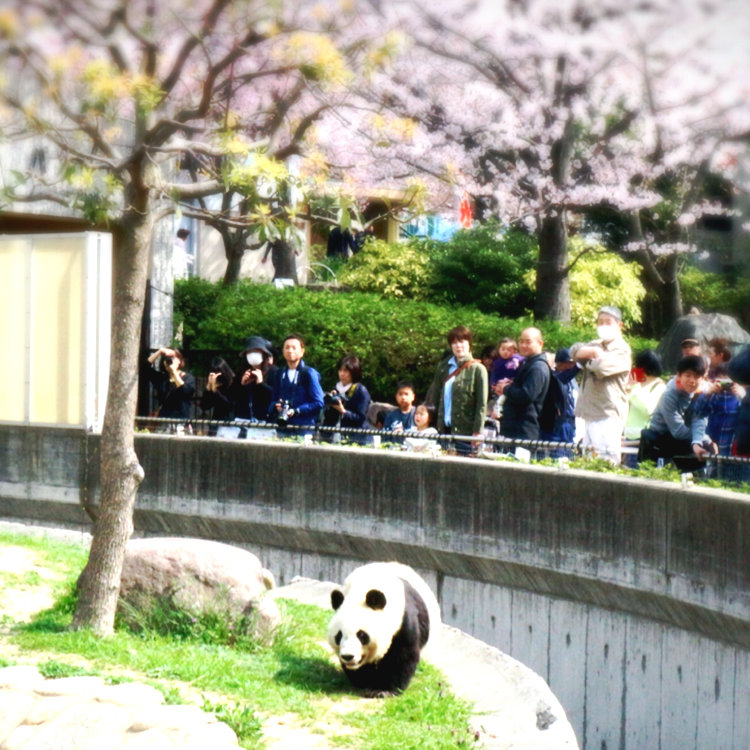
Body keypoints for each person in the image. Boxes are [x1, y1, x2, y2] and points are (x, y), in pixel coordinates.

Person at [570, 306, 632, 464]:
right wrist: (593, 353)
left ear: (619, 326)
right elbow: (573, 351)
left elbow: (600, 367)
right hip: (589, 413)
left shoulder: (622, 349)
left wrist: (586, 358)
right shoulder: (596, 344)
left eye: (608, 322)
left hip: (607, 414)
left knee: (606, 462)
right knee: (587, 461)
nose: (603, 326)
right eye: (600, 322)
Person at [638, 355, 717, 471]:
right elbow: (678, 431)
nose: (692, 381)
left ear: (703, 377)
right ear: (679, 375)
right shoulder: (669, 396)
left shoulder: (701, 393)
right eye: (688, 375)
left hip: (683, 440)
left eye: (696, 376)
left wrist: (699, 441)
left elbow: (699, 419)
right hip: (662, 439)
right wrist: (705, 439)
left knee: (707, 449)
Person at [428, 325, 487, 456]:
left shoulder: (478, 369)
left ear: (469, 344)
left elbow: (481, 404)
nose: (458, 346)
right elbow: (436, 398)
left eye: (462, 341)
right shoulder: (443, 368)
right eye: (454, 342)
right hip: (444, 430)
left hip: (466, 432)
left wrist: (478, 431)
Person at [495, 327, 550, 442]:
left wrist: (506, 388)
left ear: (540, 343)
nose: (523, 345)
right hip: (513, 428)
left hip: (524, 431)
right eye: (521, 341)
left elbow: (526, 395)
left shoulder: (538, 367)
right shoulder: (527, 363)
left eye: (528, 342)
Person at [268, 334, 324, 434]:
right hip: (282, 427)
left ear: (302, 351)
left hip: (304, 428)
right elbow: (273, 399)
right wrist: (277, 406)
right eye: (287, 347)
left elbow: (318, 402)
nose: (290, 351)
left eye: (294, 348)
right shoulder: (279, 374)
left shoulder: (308, 373)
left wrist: (297, 410)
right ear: (283, 351)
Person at [321, 355, 372, 444]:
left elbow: (360, 418)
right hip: (334, 435)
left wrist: (343, 411)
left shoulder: (360, 391)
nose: (342, 374)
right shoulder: (336, 388)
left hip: (356, 438)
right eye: (340, 370)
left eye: (346, 370)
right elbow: (328, 417)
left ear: (354, 372)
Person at [142, 347, 195, 428]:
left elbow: (185, 391)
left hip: (181, 423)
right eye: (167, 359)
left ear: (179, 360)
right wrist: (160, 351)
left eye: (173, 358)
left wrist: (174, 372)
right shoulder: (161, 378)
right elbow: (144, 368)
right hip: (164, 422)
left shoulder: (188, 378)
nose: (170, 361)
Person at [199, 356, 237, 436]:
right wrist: (208, 387)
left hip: (229, 423)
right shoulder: (215, 385)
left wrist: (215, 391)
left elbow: (229, 404)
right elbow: (204, 406)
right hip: (216, 423)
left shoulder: (234, 383)